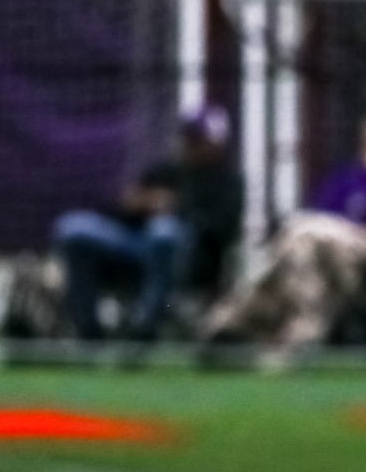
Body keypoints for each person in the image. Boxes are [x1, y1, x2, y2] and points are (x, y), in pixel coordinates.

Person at [201, 111, 366, 356]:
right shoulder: (349, 178)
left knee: (301, 233)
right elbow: (324, 207)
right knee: (303, 246)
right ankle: (288, 333)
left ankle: (234, 320)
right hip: (325, 249)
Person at [52, 105, 243, 342]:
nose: (191, 144)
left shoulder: (227, 183)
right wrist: (140, 204)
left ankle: (143, 329)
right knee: (73, 227)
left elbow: (221, 231)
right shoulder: (165, 171)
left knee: (163, 232)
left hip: (186, 259)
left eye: (199, 139)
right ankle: (88, 334)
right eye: (188, 137)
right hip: (134, 247)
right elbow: (120, 211)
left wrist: (176, 210)